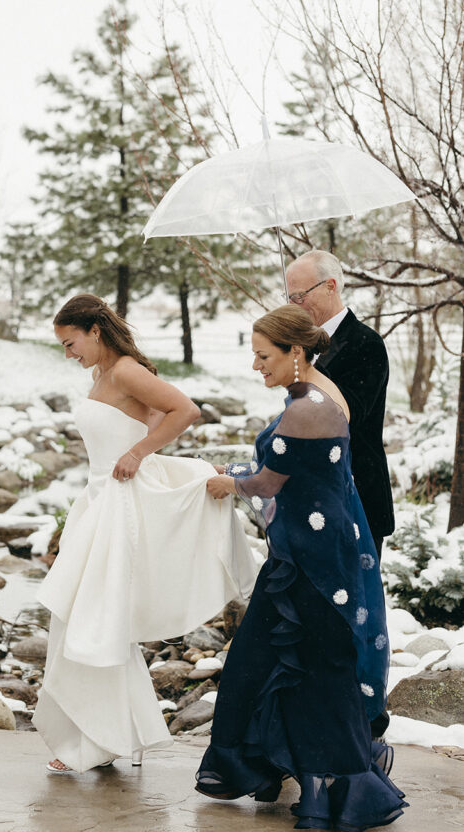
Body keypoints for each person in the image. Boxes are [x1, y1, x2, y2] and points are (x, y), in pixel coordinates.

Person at [195, 306, 406, 831]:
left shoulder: (308, 407)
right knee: (272, 662)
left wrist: (234, 482)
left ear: (295, 353)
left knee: (311, 671)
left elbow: (271, 482)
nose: (254, 365)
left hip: (312, 564)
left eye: (263, 355)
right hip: (304, 552)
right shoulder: (311, 394)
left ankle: (344, 786)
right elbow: (297, 475)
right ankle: (285, 772)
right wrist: (240, 471)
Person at [33, 294, 257, 775]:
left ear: (95, 331)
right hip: (96, 502)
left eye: (71, 343)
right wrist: (139, 439)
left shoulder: (126, 370)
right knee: (81, 620)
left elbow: (184, 410)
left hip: (116, 504)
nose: (68, 354)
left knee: (97, 621)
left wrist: (138, 454)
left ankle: (97, 742)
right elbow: (147, 415)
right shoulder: (101, 375)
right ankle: (103, 735)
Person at [285, 249, 394, 561]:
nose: (294, 304)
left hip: (356, 493)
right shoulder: (302, 345)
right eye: (289, 296)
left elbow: (347, 415)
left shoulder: (366, 343)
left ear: (330, 286)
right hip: (311, 494)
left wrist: (305, 369)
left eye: (300, 295)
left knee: (356, 602)